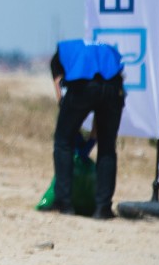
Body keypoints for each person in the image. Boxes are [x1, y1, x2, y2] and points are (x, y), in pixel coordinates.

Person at [50, 39, 125, 220]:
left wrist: (65, 110)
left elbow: (59, 86)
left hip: (82, 86)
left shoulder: (60, 55)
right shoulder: (106, 50)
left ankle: (64, 203)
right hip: (113, 88)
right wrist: (94, 133)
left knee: (63, 141)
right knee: (107, 147)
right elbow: (111, 81)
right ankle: (103, 208)